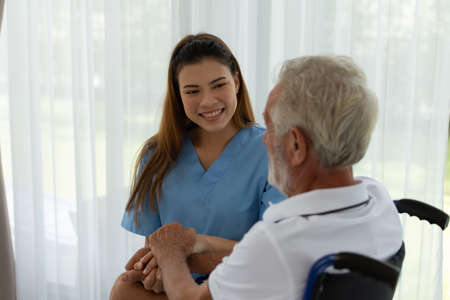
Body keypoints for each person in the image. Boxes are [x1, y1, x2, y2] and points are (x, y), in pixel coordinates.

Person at [112, 55, 404, 300]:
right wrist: (198, 243)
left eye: (272, 128)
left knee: (124, 291)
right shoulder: (379, 201)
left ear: (296, 145)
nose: (264, 140)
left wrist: (170, 253)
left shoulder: (276, 242)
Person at [110, 33, 284, 298]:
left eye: (218, 85)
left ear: (236, 81)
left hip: (240, 287)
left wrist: (178, 261)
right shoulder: (157, 155)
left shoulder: (271, 152)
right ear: (178, 95)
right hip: (176, 285)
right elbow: (155, 245)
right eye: (192, 91)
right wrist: (155, 272)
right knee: (124, 289)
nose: (208, 101)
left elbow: (273, 253)